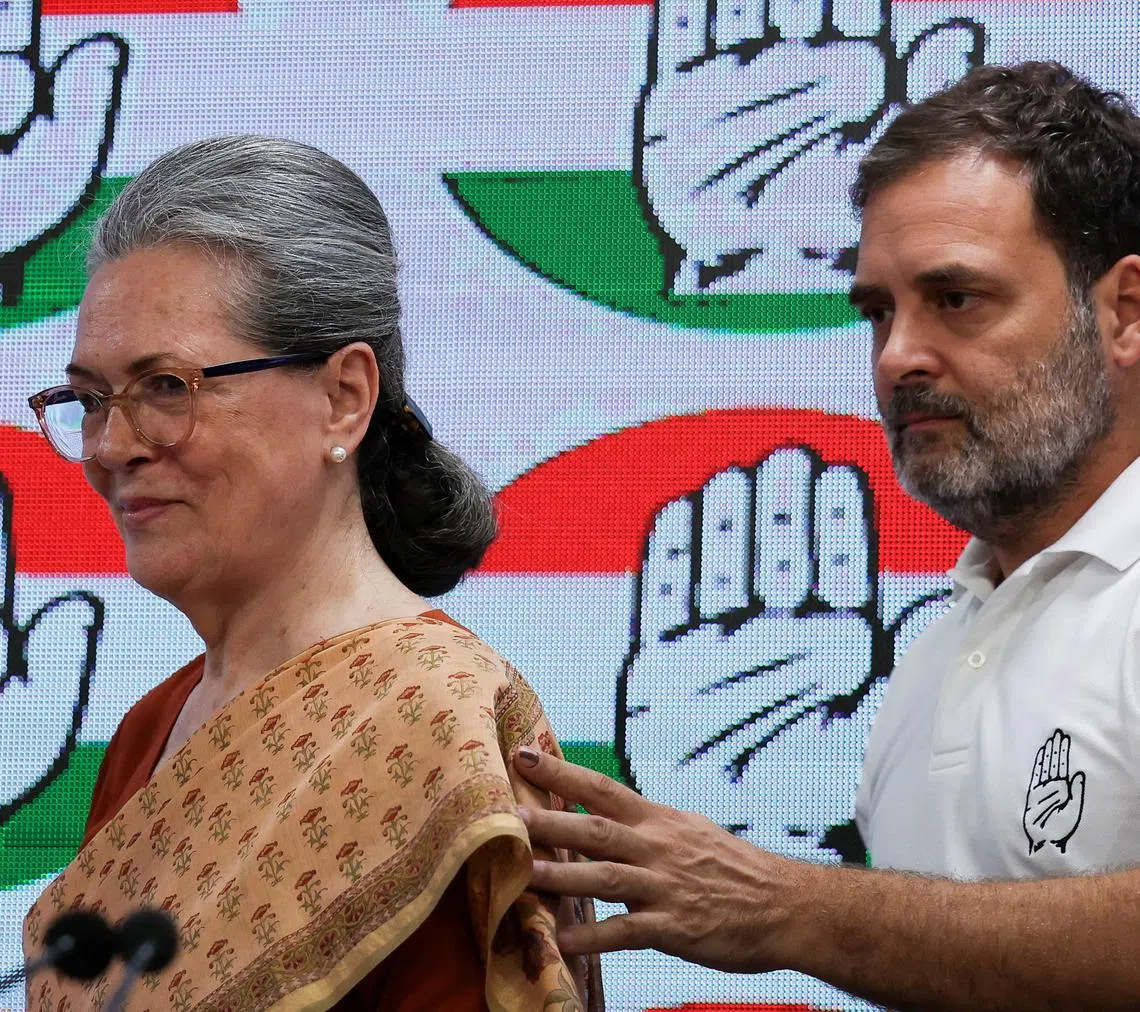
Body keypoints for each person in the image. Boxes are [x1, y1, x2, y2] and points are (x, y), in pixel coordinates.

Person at [512, 60, 1140, 1010]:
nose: (897, 357)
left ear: (1123, 312)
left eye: (956, 298)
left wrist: (788, 906)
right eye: (878, 311)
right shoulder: (932, 660)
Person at [21, 136, 602, 1012]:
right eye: (92, 401)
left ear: (343, 397)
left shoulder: (435, 725)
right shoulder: (150, 730)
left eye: (167, 387)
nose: (111, 447)